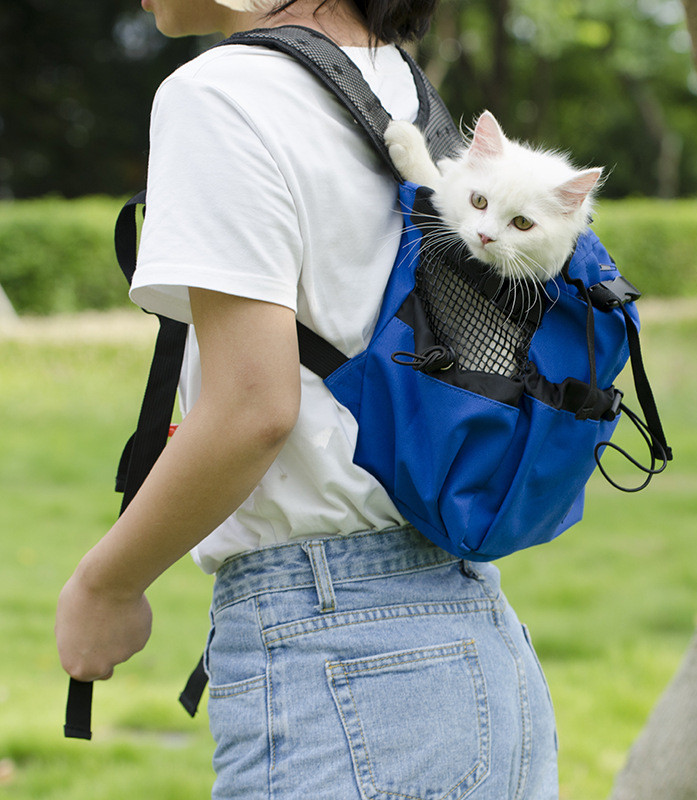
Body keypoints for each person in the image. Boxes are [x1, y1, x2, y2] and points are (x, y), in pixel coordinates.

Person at [55, 1, 559, 797]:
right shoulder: (402, 90)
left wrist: (105, 587)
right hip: (480, 650)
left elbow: (253, 410)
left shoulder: (220, 93)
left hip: (340, 659)